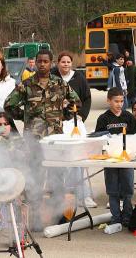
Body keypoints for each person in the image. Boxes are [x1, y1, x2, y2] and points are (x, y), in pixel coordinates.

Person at [4, 49, 81, 231]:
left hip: (55, 140)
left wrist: (63, 116)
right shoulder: (27, 84)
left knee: (57, 179)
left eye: (46, 61)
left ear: (51, 62)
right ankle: (37, 219)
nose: (42, 64)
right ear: (35, 62)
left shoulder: (59, 84)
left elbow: (76, 102)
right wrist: (26, 117)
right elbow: (9, 105)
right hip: (34, 141)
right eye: (39, 61)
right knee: (35, 180)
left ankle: (58, 217)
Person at [51, 51, 96, 208]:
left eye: (68, 62)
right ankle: (62, 197)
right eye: (63, 62)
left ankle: (84, 195)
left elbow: (87, 98)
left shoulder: (79, 78)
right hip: (57, 124)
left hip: (75, 123)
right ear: (58, 63)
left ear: (72, 63)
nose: (65, 64)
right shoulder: (52, 77)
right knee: (60, 161)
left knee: (78, 160)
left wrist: (82, 116)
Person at [95, 87, 136, 226]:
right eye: (116, 101)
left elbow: (135, 137)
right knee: (113, 190)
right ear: (109, 101)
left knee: (128, 190)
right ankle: (115, 218)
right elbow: (98, 139)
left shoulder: (129, 117)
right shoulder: (103, 118)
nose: (119, 104)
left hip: (126, 159)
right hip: (111, 160)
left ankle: (127, 217)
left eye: (121, 101)